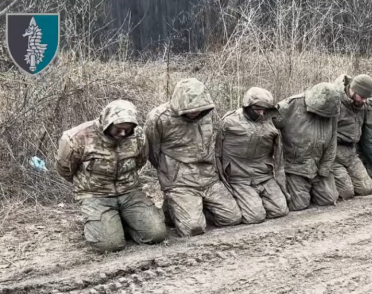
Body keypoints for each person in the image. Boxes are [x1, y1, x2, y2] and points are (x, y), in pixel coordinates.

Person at [56, 99, 167, 252]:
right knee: (109, 246)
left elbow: (140, 161)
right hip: (95, 195)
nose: (123, 133)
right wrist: (87, 186)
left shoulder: (138, 135)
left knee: (156, 235)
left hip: (129, 191)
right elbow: (65, 169)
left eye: (127, 130)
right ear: (107, 122)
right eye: (118, 129)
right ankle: (104, 225)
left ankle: (121, 223)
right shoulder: (76, 137)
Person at [144, 78, 242, 237]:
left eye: (199, 108)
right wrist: (170, 174)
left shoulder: (208, 113)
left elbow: (210, 143)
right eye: (191, 108)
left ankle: (184, 209)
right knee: (193, 229)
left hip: (208, 177)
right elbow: (151, 152)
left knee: (233, 218)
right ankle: (177, 205)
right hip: (180, 182)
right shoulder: (159, 117)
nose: (196, 112)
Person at [216, 87, 289, 224]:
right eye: (257, 109)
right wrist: (222, 180)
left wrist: (280, 180)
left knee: (280, 210)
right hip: (239, 178)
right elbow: (217, 153)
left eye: (265, 109)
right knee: (255, 217)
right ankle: (246, 204)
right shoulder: (229, 122)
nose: (261, 113)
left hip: (263, 175)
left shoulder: (270, 121)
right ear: (247, 105)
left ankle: (254, 202)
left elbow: (279, 155)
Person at [273, 82, 342, 211]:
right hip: (295, 166)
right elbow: (267, 123)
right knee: (299, 205)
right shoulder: (291, 105)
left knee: (329, 199)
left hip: (317, 165)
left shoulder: (332, 111)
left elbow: (332, 141)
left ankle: (309, 190)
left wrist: (325, 168)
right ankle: (297, 190)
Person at [332, 74, 372, 199]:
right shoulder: (335, 102)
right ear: (352, 90)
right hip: (335, 153)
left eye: (366, 98)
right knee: (347, 192)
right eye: (362, 97)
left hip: (351, 152)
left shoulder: (361, 105)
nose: (364, 101)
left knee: (366, 188)